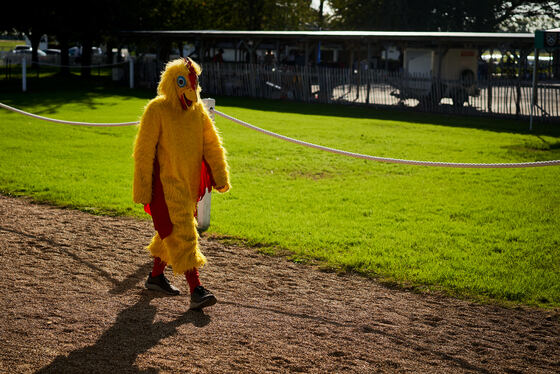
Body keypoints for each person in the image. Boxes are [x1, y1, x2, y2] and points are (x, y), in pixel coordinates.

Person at [133, 57, 230, 310]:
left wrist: (220, 176)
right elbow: (143, 151)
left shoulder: (197, 113)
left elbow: (211, 144)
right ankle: (196, 289)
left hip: (189, 186)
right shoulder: (157, 110)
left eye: (192, 83)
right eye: (183, 82)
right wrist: (143, 188)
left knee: (170, 231)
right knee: (186, 233)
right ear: (172, 83)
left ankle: (155, 276)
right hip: (167, 185)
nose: (190, 90)